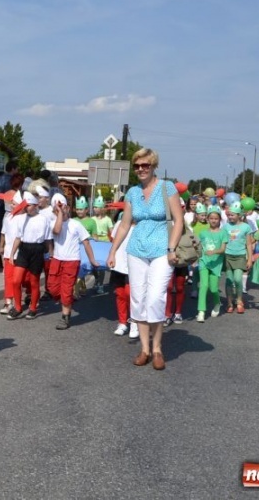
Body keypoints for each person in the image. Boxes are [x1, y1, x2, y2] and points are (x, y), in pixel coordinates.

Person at [106, 148, 183, 371]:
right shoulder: (132, 193)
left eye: (145, 165)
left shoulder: (166, 187)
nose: (141, 169)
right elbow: (124, 224)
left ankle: (157, 348)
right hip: (136, 250)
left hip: (161, 251)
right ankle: (144, 349)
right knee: (138, 299)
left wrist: (171, 247)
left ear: (153, 166)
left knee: (155, 298)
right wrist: (113, 252)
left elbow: (178, 220)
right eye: (137, 166)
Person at [49, 198, 98, 330]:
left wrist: (92, 260)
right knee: (53, 288)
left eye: (63, 206)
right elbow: (57, 231)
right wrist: (59, 213)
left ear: (68, 208)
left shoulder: (76, 224)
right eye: (57, 207)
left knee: (65, 290)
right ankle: (68, 299)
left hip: (72, 260)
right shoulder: (53, 222)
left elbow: (86, 242)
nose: (61, 209)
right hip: (57, 259)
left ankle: (65, 316)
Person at [7, 192, 53, 320]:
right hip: (24, 249)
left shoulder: (43, 219)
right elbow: (18, 237)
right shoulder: (22, 218)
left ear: (35, 205)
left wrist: (51, 254)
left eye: (29, 205)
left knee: (34, 282)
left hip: (37, 250)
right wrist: (12, 254)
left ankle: (33, 308)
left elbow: (48, 239)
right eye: (25, 205)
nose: (26, 208)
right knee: (16, 280)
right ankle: (17, 308)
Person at [195, 206, 229, 322]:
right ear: (208, 219)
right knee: (204, 286)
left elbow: (223, 249)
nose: (214, 220)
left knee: (214, 289)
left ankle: (217, 303)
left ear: (220, 219)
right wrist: (196, 249)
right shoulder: (203, 233)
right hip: (204, 262)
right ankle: (201, 312)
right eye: (211, 218)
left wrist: (214, 251)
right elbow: (199, 248)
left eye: (216, 218)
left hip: (216, 264)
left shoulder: (223, 233)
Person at [223, 201, 253, 314]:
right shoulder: (225, 227)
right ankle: (230, 303)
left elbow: (249, 244)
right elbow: (223, 242)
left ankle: (239, 301)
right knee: (229, 280)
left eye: (232, 215)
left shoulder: (246, 227)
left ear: (239, 215)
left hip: (240, 256)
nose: (230, 217)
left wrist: (249, 259)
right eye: (229, 215)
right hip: (227, 256)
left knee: (237, 279)